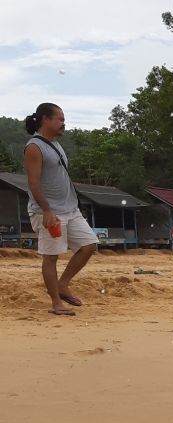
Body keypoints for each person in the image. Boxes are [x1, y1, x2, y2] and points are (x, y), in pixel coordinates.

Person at [22, 103, 98, 316]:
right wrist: (47, 210)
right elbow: (33, 183)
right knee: (51, 256)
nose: (63, 123)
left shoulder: (55, 143)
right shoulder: (34, 147)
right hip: (48, 212)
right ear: (45, 119)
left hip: (70, 210)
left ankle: (63, 284)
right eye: (60, 119)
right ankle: (56, 302)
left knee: (89, 245)